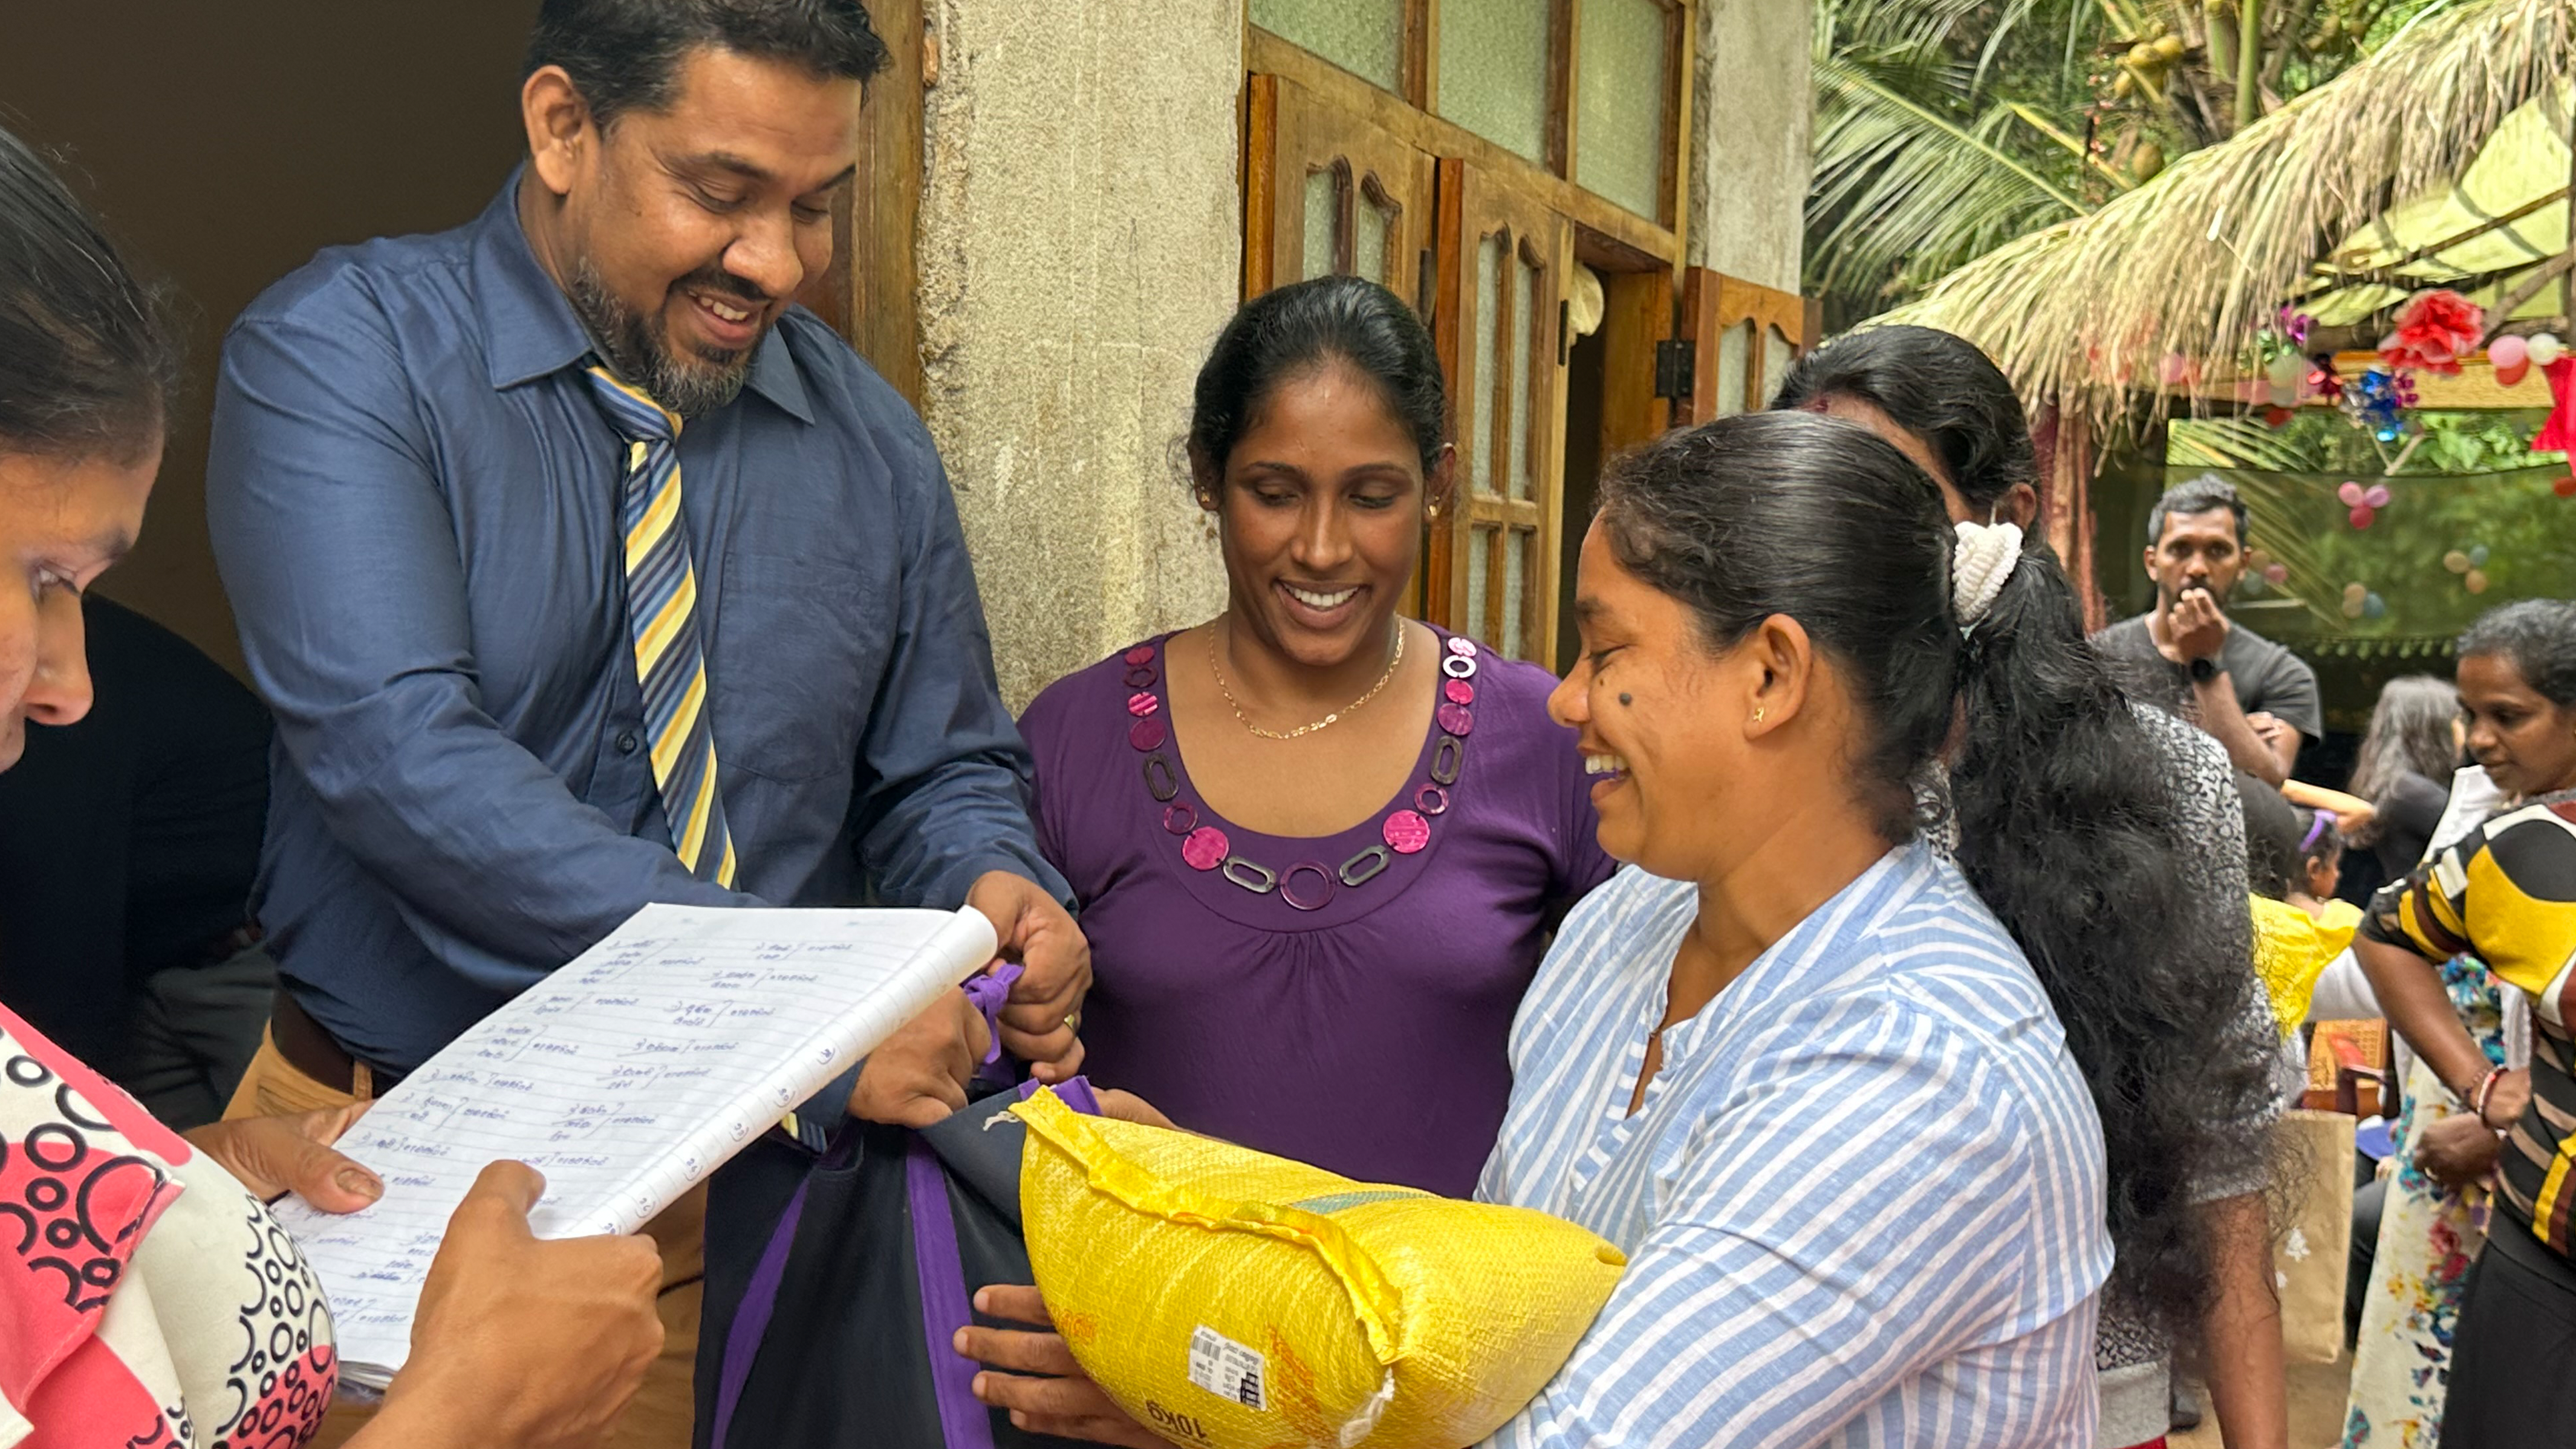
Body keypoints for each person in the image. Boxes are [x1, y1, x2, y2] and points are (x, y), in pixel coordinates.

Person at [961, 408, 2284, 1446]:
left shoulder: (1920, 1077)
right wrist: (1216, 1203)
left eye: (1608, 653)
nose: (1565, 702)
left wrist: (1196, 1378)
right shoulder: (1635, 925)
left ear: (1771, 673)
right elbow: (1487, 1295)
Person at [201, 5, 1090, 1441]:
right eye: (721, 194)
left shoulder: (870, 448)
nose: (777, 263)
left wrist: (994, 888)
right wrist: (800, 1031)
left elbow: (939, 768)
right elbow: (401, 756)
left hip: (731, 1208)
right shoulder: (342, 357)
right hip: (374, 1172)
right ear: (563, 128)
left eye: (813, 207)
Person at [0, 116, 659, 1449]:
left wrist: (167, 1188)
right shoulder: (348, 350)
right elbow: (399, 749)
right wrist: (463, 1414)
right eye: (45, 580)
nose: (73, 685)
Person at [1774, 324, 2286, 1449]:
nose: (1836, 541)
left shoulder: (2166, 784)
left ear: (2004, 519)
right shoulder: (1749, 772)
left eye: (1886, 498)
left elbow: (2224, 1152)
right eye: (1812, 497)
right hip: (1806, 1397)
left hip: (2081, 1402)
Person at [1016, 276, 1613, 1196]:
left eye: (1372, 496)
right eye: (1276, 492)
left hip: (1445, 1333)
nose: (1324, 548)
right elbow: (997, 1059)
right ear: (1209, 478)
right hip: (1134, 1325)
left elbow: (1640, 1053)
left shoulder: (1544, 743)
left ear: (1437, 485)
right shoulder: (1074, 740)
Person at [2353, 599, 2576, 1447]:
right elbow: (2385, 934)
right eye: (2471, 717)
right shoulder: (2517, 848)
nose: (2480, 741)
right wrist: (2482, 1089)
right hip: (2544, 1251)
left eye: (2508, 717)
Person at [0, 593, 275, 1128]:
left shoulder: (42, 692)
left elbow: (56, 975)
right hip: (137, 973)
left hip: (259, 956)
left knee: (293, 1193)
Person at [2092, 474, 2321, 786]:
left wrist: (2205, 663)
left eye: (2217, 551)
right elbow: (2085, 770)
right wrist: (2228, 737)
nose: (2198, 567)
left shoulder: (2281, 674)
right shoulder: (2099, 658)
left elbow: (2265, 785)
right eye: (2180, 549)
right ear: (2152, 562)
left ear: (2243, 564)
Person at [2335, 676, 2462, 908]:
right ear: (2435, 729)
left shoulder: (2397, 786)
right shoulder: (2411, 792)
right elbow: (2476, 838)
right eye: (2459, 722)